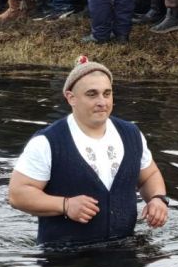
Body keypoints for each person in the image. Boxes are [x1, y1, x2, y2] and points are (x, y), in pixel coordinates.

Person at [9, 56, 168, 248]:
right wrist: (65, 205)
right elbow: (17, 194)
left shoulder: (131, 134)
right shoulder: (47, 142)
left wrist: (158, 199)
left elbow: (149, 175)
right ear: (71, 98)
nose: (102, 102)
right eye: (92, 94)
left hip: (124, 251)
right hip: (64, 258)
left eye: (107, 93)